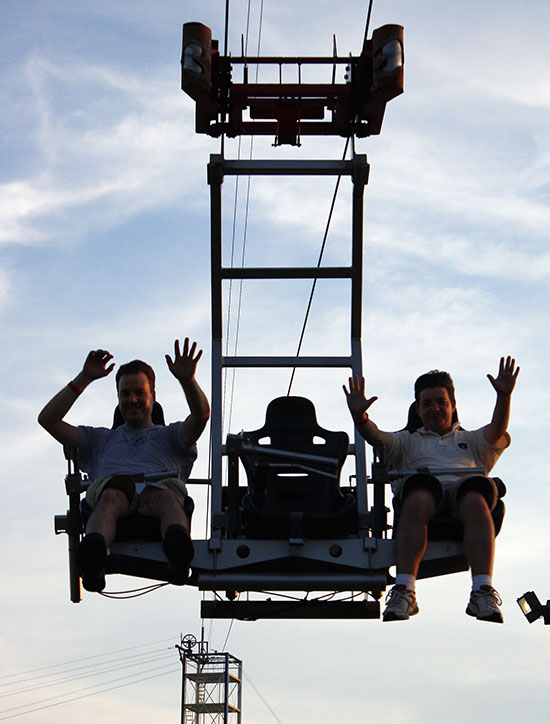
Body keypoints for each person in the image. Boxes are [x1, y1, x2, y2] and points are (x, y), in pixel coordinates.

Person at [343, 357, 519, 623]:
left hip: (465, 498)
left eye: (441, 402)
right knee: (420, 493)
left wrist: (503, 397)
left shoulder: (471, 440)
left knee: (475, 496)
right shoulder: (408, 442)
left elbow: (496, 431)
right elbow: (377, 438)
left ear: (453, 405)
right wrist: (360, 416)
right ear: (418, 409)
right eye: (427, 404)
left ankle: (482, 589)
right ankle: (404, 589)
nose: (435, 409)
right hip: (425, 498)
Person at [38, 338, 210, 592]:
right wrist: (84, 378)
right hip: (115, 497)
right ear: (118, 397)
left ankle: (178, 549)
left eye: (139, 392)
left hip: (159, 494)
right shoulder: (99, 441)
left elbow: (201, 415)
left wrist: (187, 381)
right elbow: (48, 420)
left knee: (164, 496)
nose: (132, 400)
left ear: (153, 395)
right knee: (113, 493)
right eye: (125, 394)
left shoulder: (172, 437)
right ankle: (94, 556)